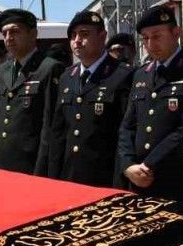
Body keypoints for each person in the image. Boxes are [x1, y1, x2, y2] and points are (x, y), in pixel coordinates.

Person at [118, 7, 183, 203]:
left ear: (176, 33)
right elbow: (128, 126)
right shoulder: (141, 74)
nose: (150, 44)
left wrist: (150, 165)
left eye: (156, 36)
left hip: (175, 178)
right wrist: (128, 165)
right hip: (138, 180)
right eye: (145, 38)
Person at [38, 11, 133, 186]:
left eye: (84, 34)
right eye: (73, 36)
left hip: (105, 177)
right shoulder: (67, 76)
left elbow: (125, 132)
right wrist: (53, 178)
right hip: (70, 176)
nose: (77, 40)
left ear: (102, 36)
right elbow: (58, 133)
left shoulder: (122, 74)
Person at [0, 8, 65, 174]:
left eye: (14, 31)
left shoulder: (49, 68)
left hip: (29, 165)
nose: (8, 37)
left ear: (33, 34)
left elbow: (48, 127)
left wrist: (41, 171)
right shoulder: (2, 70)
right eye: (4, 33)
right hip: (0, 163)